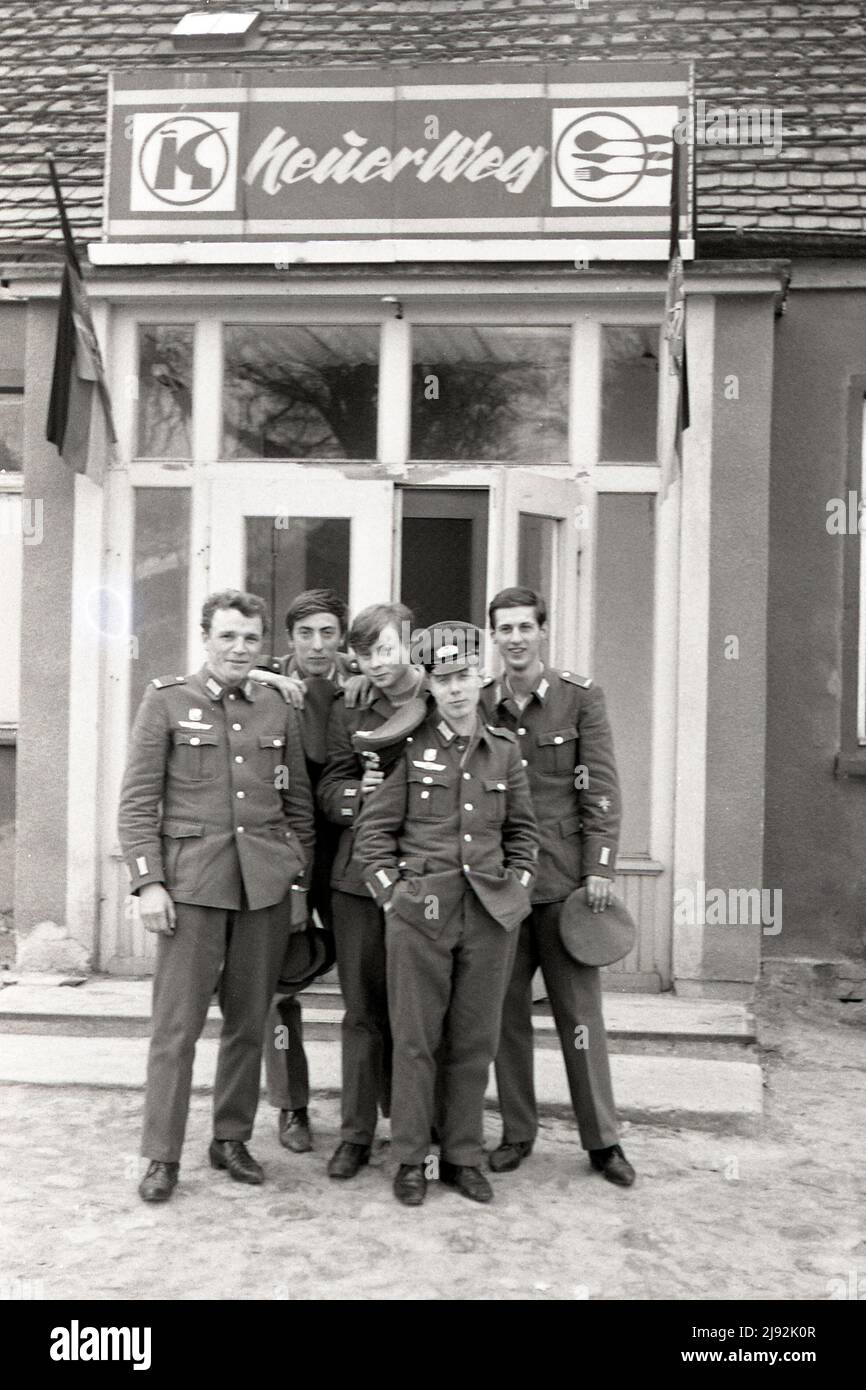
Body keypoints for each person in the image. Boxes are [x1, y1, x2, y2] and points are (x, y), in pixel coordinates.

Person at [118, 589, 314, 1203]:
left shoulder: (278, 708)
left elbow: (297, 803)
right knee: (176, 1029)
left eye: (250, 638)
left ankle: (231, 1138)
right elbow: (137, 802)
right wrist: (149, 882)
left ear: (264, 645)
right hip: (192, 889)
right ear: (205, 637)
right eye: (227, 636)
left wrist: (294, 876)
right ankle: (161, 1155)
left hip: (262, 890)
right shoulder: (166, 700)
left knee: (249, 1023)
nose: (238, 648)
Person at [354, 622, 539, 1206]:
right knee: (414, 1040)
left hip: (488, 915)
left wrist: (519, 889)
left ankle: (462, 1155)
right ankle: (411, 1158)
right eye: (443, 679)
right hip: (420, 914)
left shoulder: (505, 752)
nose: (456, 690)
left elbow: (524, 835)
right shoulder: (407, 748)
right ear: (429, 687)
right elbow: (374, 834)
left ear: (482, 678)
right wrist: (392, 896)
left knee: (474, 1039)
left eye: (464, 677)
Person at [481, 586, 635, 1187]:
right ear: (492, 636)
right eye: (504, 629)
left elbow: (600, 788)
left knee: (579, 1016)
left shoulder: (578, 698)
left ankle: (603, 1141)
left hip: (567, 881)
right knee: (504, 1015)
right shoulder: (481, 702)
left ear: (542, 631)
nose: (515, 638)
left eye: (525, 627)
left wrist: (600, 864)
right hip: (503, 889)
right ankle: (518, 1132)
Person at [317, 602, 427, 1181]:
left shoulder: (441, 696)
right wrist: (361, 793)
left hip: (427, 875)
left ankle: (418, 1132)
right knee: (361, 1011)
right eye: (364, 654)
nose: (376, 663)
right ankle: (356, 1135)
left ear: (406, 642)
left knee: (418, 1013)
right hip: (358, 880)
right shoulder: (349, 706)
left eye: (386, 649)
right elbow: (329, 785)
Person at [252, 588, 352, 1154]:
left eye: (328, 633)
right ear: (289, 639)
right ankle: (292, 1107)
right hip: (282, 848)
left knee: (369, 978)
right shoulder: (265, 681)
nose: (317, 646)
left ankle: (377, 1106)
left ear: (342, 638)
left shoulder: (360, 683)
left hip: (343, 849)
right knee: (278, 983)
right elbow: (211, 679)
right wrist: (268, 681)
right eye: (305, 634)